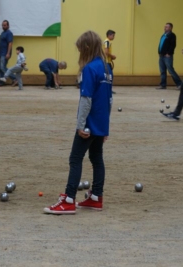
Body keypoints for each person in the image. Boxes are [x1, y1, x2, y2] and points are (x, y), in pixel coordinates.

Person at [43, 30, 113, 215]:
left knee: (75, 159)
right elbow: (109, 100)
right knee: (96, 158)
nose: (79, 53)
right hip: (101, 122)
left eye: (80, 49)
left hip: (89, 123)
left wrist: (80, 125)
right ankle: (96, 197)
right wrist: (106, 126)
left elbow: (86, 99)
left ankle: (68, 200)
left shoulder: (89, 69)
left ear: (87, 48)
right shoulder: (107, 68)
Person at [156, 23, 182, 90]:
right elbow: (161, 44)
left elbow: (173, 45)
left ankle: (179, 84)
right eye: (165, 27)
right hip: (161, 56)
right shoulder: (163, 35)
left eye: (167, 27)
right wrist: (159, 52)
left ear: (171, 28)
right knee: (162, 71)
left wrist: (169, 53)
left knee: (171, 70)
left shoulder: (172, 35)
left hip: (167, 56)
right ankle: (163, 85)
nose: (165, 28)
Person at [0, 20, 16, 86]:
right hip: (1, 54)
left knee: (3, 68)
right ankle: (1, 82)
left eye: (5, 25)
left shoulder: (9, 33)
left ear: (8, 26)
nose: (3, 26)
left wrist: (8, 53)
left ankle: (15, 78)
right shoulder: (3, 33)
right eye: (2, 25)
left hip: (5, 54)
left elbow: (10, 43)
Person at [104, 30, 116, 94]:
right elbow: (106, 52)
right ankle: (108, 90)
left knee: (110, 76)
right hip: (106, 62)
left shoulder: (107, 42)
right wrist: (112, 56)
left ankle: (109, 89)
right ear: (109, 35)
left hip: (108, 61)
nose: (114, 37)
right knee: (110, 76)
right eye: (113, 35)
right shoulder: (107, 42)